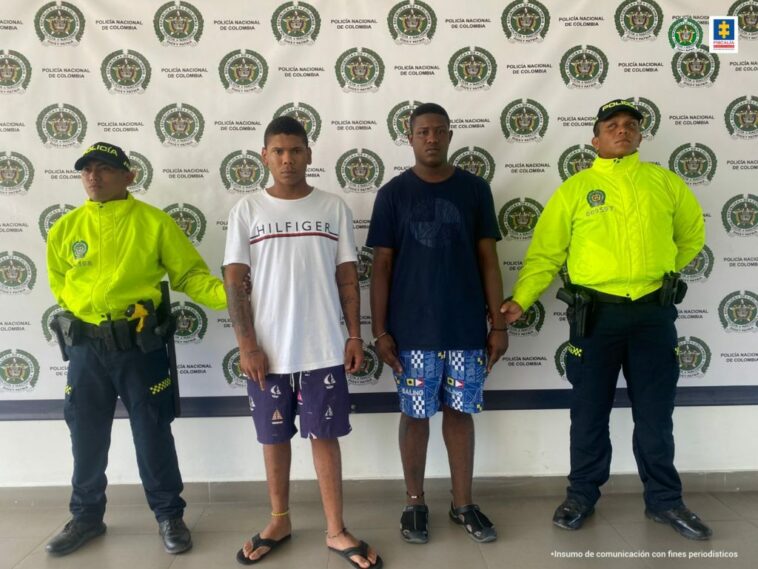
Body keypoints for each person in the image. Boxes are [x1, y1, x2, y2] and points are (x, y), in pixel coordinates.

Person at [501, 99, 711, 541]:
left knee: (656, 415)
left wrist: (663, 272)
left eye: (631, 125)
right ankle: (581, 496)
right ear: (595, 140)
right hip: (595, 317)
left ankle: (665, 501)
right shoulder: (576, 190)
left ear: (640, 136)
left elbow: (691, 235)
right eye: (612, 126)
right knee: (589, 412)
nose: (623, 131)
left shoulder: (665, 183)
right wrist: (522, 298)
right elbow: (546, 253)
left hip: (653, 314)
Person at [45, 142, 227, 555]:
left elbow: (191, 276)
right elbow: (59, 279)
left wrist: (231, 297)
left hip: (139, 348)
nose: (94, 176)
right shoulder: (66, 228)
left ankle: (169, 515)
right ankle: (86, 517)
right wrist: (81, 311)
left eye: (105, 168)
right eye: (87, 169)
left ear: (129, 176)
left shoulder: (154, 223)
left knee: (152, 432)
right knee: (86, 435)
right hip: (86, 350)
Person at [223, 116, 382, 568]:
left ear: (309, 154)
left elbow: (347, 274)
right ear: (264, 156)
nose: (287, 159)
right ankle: (279, 520)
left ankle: (336, 530)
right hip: (266, 354)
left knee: (325, 437)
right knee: (273, 439)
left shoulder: (333, 208)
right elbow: (235, 281)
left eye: (295, 150)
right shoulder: (247, 211)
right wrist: (246, 344)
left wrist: (354, 334)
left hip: (323, 347)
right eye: (278, 151)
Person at [367, 102, 508, 544]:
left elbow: (488, 259)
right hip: (411, 332)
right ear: (409, 138)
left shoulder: (474, 190)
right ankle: (414, 503)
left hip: (466, 327)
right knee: (415, 416)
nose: (431, 138)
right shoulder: (392, 194)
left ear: (450, 136)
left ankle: (462, 503)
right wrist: (380, 330)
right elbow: (382, 266)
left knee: (460, 414)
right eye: (422, 131)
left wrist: (498, 325)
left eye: (439, 131)